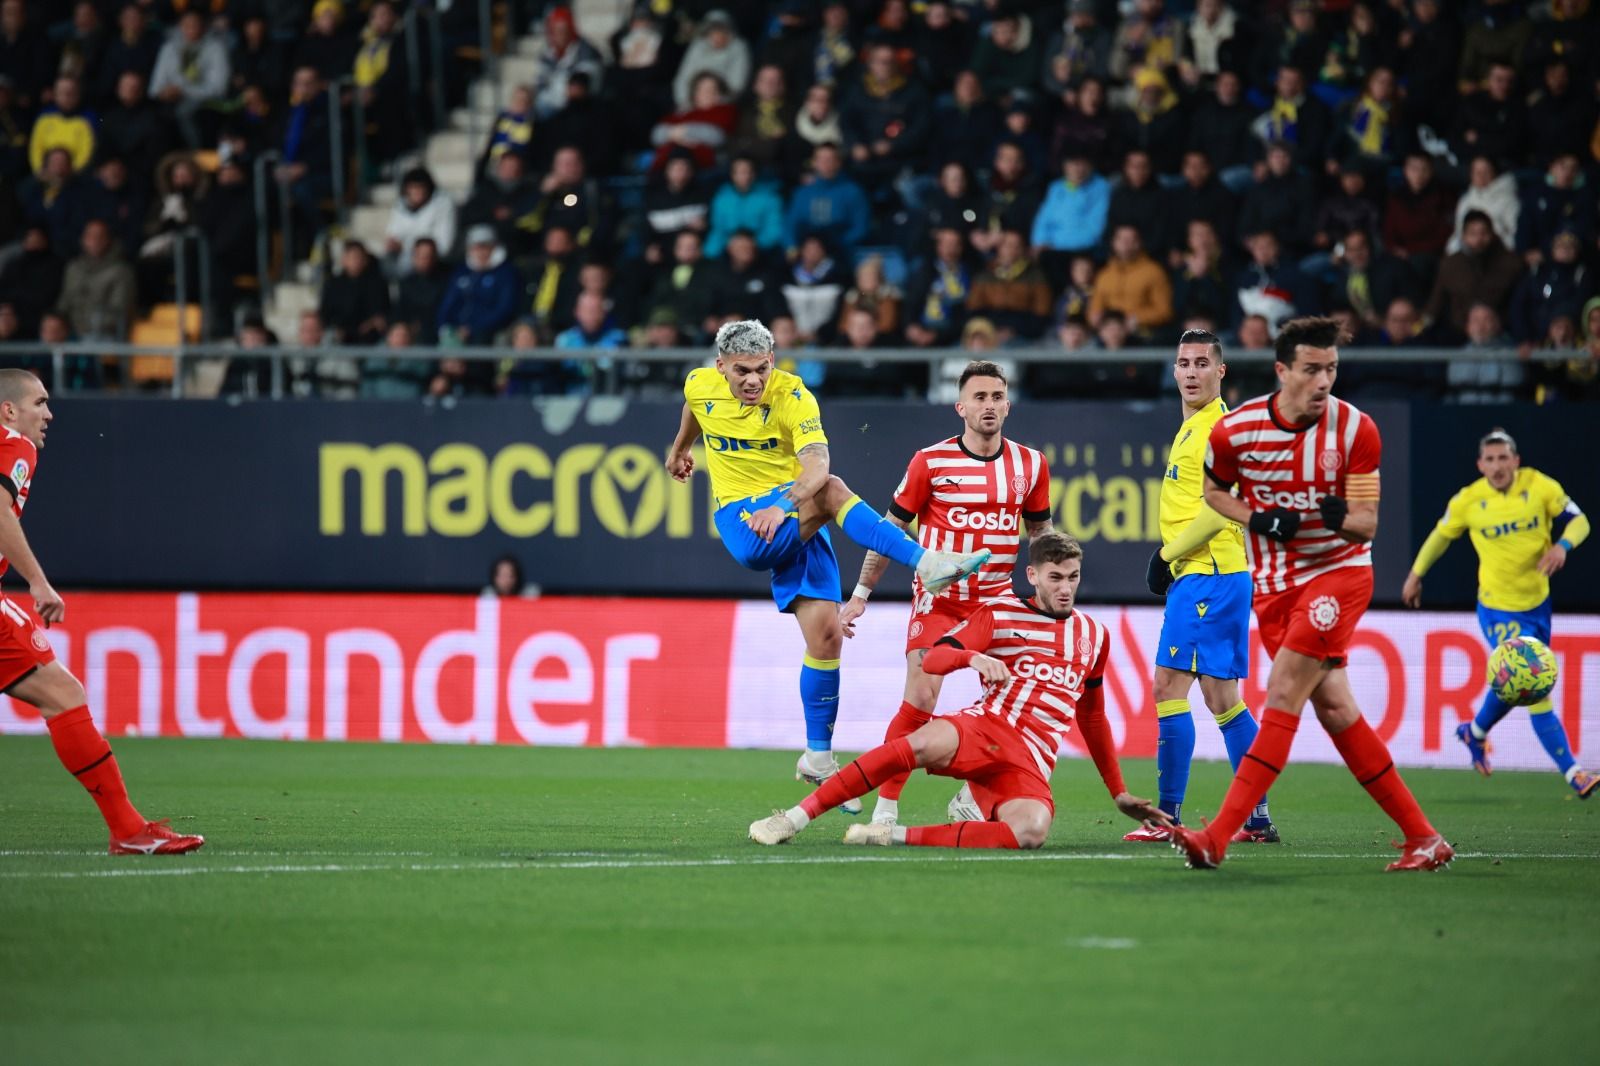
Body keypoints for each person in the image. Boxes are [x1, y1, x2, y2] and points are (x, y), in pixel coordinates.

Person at [1169, 316, 1453, 872]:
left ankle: (1218, 836)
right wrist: (1260, 519)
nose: (1323, 381)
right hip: (1275, 589)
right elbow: (1215, 494)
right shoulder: (1238, 431)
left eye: (1331, 369)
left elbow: (1368, 525)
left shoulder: (1356, 431)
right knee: (1336, 707)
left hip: (1338, 575)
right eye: (1311, 370)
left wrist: (1338, 516)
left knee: (1282, 693)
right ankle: (1424, 837)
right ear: (1282, 372)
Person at [666, 320, 989, 807]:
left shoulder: (794, 395)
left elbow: (815, 465)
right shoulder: (699, 383)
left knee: (826, 635)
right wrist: (679, 449)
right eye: (741, 373)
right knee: (835, 490)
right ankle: (925, 562)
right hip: (744, 518)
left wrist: (786, 505)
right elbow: (696, 408)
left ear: (772, 360)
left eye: (761, 369)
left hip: (793, 512)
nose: (753, 381)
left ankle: (817, 756)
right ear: (721, 368)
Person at [749, 532, 1172, 849]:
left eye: (1073, 577)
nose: (1065, 587)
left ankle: (891, 834)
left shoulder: (1094, 635)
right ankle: (793, 818)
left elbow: (1092, 716)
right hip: (986, 728)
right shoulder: (1000, 613)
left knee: (1030, 832)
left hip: (1030, 761)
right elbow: (932, 659)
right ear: (1033, 575)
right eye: (1055, 577)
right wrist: (972, 658)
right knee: (914, 744)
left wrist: (1117, 792)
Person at [838, 360, 1053, 827]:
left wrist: (1051, 583)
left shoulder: (1031, 464)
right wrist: (859, 594)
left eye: (997, 397)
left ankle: (975, 799)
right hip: (940, 601)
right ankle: (887, 809)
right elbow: (888, 533)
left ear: (1008, 404)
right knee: (920, 699)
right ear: (960, 407)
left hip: (997, 605)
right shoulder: (930, 461)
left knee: (1014, 709)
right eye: (979, 397)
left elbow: (1040, 534)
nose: (989, 405)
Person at [0, 369, 203, 854]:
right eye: (40, 403)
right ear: (9, 410)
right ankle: (128, 831)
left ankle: (128, 828)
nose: (48, 414)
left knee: (63, 692)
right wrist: (38, 580)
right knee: (64, 695)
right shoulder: (12, 444)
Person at [1131, 330, 1278, 843]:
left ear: (1221, 372)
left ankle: (1166, 818)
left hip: (1207, 573)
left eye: (1201, 363)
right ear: (1173, 371)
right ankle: (1256, 817)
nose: (1190, 372)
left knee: (1169, 688)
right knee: (1222, 697)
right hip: (1219, 574)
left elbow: (1221, 507)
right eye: (1183, 363)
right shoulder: (1196, 428)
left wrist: (1166, 556)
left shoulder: (1217, 428)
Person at [1401, 429, 1594, 798]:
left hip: (1537, 604)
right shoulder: (1469, 500)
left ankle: (1473, 732)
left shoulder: (1540, 486)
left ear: (1515, 461)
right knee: (1533, 682)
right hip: (1497, 607)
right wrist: (1416, 574)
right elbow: (1441, 536)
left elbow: (1581, 521)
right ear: (1480, 465)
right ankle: (1574, 772)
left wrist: (1563, 545)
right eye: (1489, 460)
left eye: (1503, 458)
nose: (1497, 466)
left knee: (1516, 686)